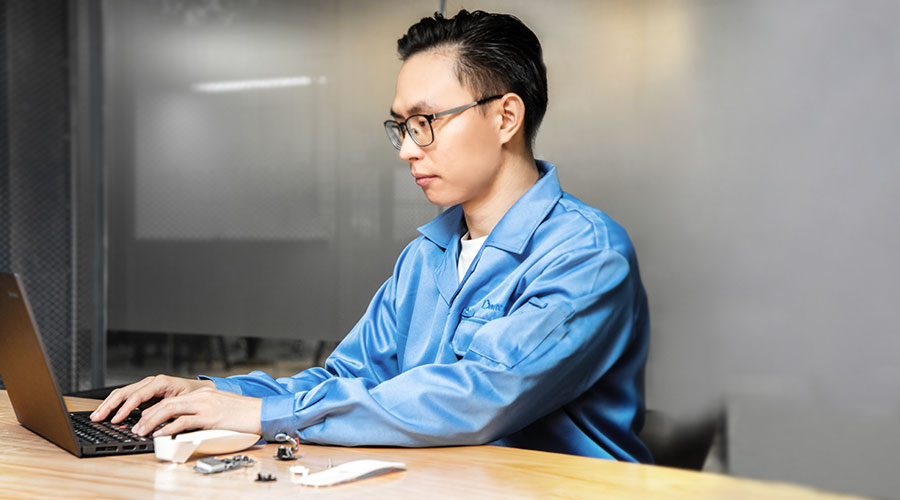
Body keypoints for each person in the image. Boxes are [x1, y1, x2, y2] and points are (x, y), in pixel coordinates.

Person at [91, 9, 652, 463]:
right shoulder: (426, 255)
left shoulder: (587, 255)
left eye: (426, 122)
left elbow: (481, 397)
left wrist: (261, 417)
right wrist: (216, 395)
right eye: (402, 128)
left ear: (506, 117)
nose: (409, 149)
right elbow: (349, 377)